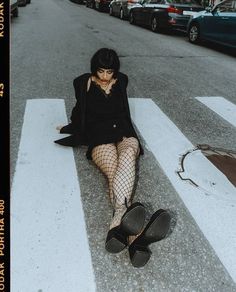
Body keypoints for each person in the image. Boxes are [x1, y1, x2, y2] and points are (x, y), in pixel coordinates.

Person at [55, 48, 171, 267]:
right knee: (113, 169)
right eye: (101, 71)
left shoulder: (122, 81)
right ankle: (136, 238)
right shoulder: (83, 83)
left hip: (124, 133)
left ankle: (120, 223)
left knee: (128, 153)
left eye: (109, 71)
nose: (106, 76)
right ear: (93, 69)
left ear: (115, 71)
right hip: (99, 137)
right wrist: (70, 127)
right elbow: (79, 110)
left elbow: (123, 110)